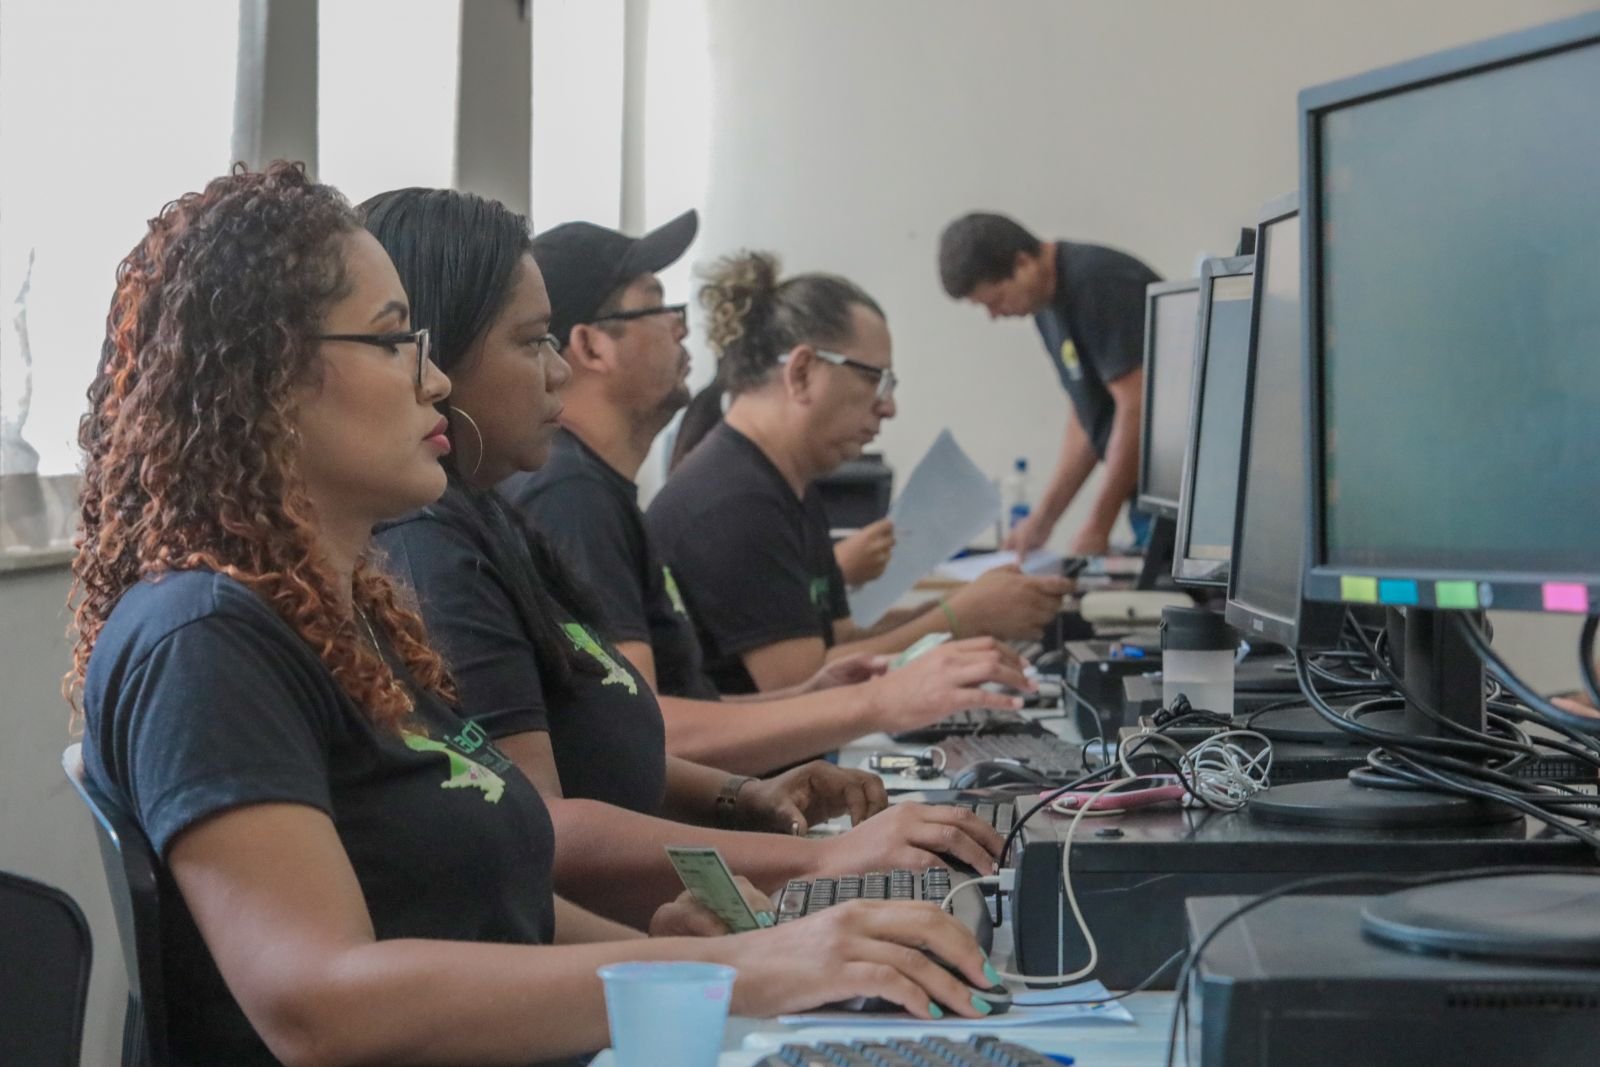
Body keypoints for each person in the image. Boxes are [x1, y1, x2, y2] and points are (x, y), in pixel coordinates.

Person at [69, 164, 998, 1067]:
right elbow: (321, 1003)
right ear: (265, 374)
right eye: (392, 342)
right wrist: (740, 968)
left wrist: (692, 953)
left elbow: (497, 906)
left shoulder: (352, 620)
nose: (434, 381)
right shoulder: (204, 639)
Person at [362, 188, 1008, 928]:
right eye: (533, 341)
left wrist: (741, 797)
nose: (557, 371)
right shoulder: (462, 533)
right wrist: (818, 856)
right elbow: (540, 828)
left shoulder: (492, 514)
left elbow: (603, 738)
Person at [499, 213, 1035, 773]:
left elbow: (669, 710)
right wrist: (889, 687)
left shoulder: (601, 490)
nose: (681, 327)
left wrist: (815, 694)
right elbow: (649, 734)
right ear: (591, 347)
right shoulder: (578, 498)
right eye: (657, 305)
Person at [646, 251, 1073, 694]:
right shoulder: (733, 503)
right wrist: (959, 618)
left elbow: (841, 640)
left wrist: (965, 607)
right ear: (802, 372)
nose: (888, 407)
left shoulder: (790, 486)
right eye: (874, 379)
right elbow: (804, 685)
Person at [938, 212, 1160, 554]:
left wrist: (1098, 526)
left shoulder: (1099, 283)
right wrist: (1043, 520)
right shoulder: (1046, 308)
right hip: (1143, 499)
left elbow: (1137, 406)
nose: (994, 316)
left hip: (1181, 497)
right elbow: (1087, 418)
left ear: (1023, 263)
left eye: (996, 300)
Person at [672, 365, 896, 587]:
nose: (889, 408)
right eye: (870, 379)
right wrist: (839, 570)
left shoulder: (799, 496)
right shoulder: (736, 510)